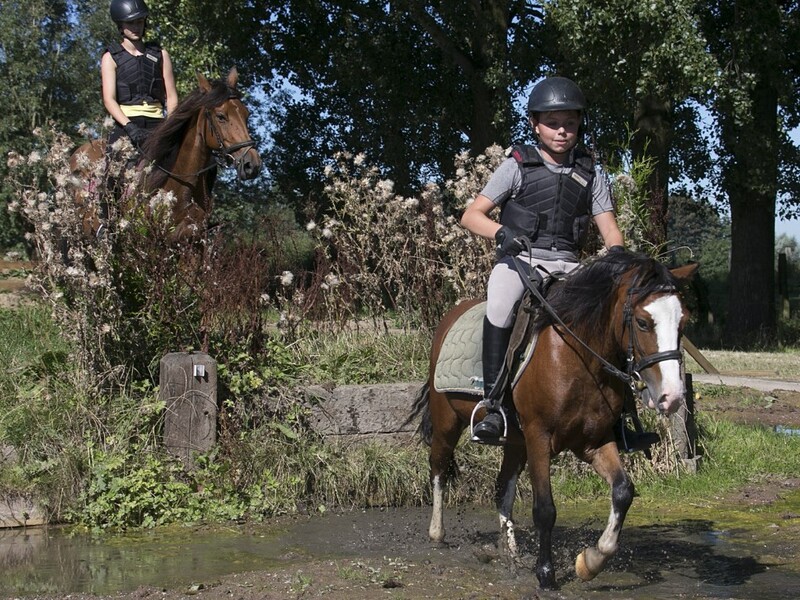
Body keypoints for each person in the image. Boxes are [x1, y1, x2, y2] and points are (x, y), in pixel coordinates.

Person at [462, 76, 657, 450]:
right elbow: (471, 216)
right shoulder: (516, 166)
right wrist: (501, 233)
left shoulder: (591, 173)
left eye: (569, 123)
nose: (562, 131)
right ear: (535, 124)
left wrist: (616, 257)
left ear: (579, 124)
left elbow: (611, 232)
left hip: (569, 266)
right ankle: (493, 408)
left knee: (610, 319)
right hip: (520, 262)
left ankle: (620, 421)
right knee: (501, 307)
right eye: (552, 123)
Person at [102, 0, 178, 152]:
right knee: (111, 167)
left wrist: (170, 126)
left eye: (140, 22)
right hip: (126, 125)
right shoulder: (110, 57)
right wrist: (129, 127)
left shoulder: (161, 54)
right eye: (131, 23)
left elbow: (171, 96)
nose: (136, 27)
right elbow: (109, 99)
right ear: (121, 25)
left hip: (158, 124)